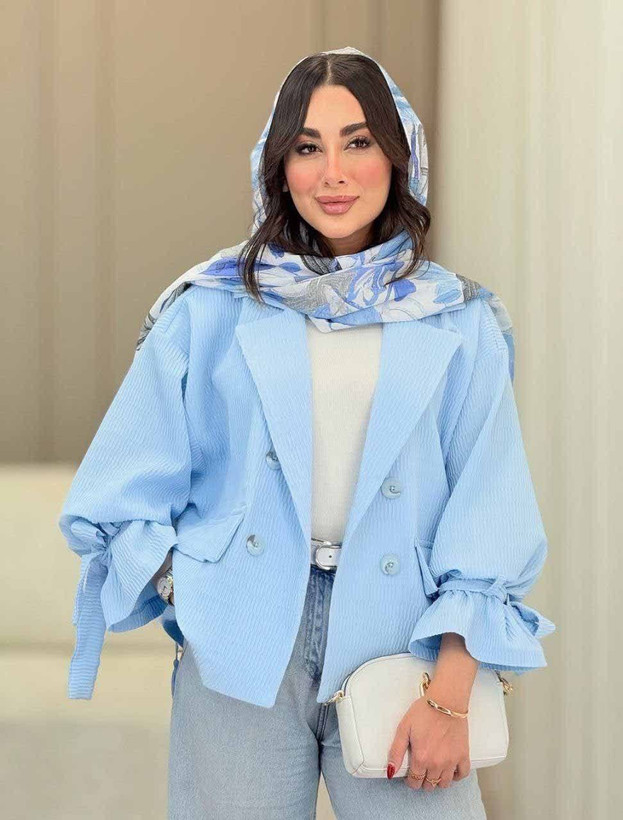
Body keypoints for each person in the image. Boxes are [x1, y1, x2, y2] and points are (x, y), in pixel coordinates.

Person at [58, 46, 556, 818]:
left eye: (358, 142)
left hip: (408, 643)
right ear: (277, 166)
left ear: (398, 157)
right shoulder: (209, 307)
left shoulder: (459, 319)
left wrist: (451, 694)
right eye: (306, 147)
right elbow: (115, 491)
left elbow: (490, 509)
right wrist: (191, 587)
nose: (333, 173)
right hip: (240, 649)